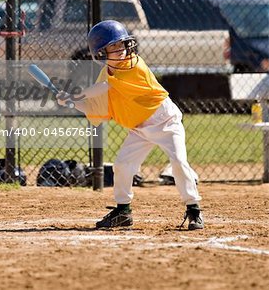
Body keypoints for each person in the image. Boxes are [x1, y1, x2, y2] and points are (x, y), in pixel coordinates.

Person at [56, 20, 204, 230]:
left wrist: (74, 94)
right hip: (139, 128)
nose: (121, 50)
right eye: (113, 47)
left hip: (165, 121)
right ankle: (123, 211)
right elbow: (95, 107)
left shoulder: (135, 65)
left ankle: (194, 209)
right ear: (101, 53)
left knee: (178, 161)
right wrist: (72, 102)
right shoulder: (107, 73)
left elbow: (102, 88)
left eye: (122, 44)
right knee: (122, 165)